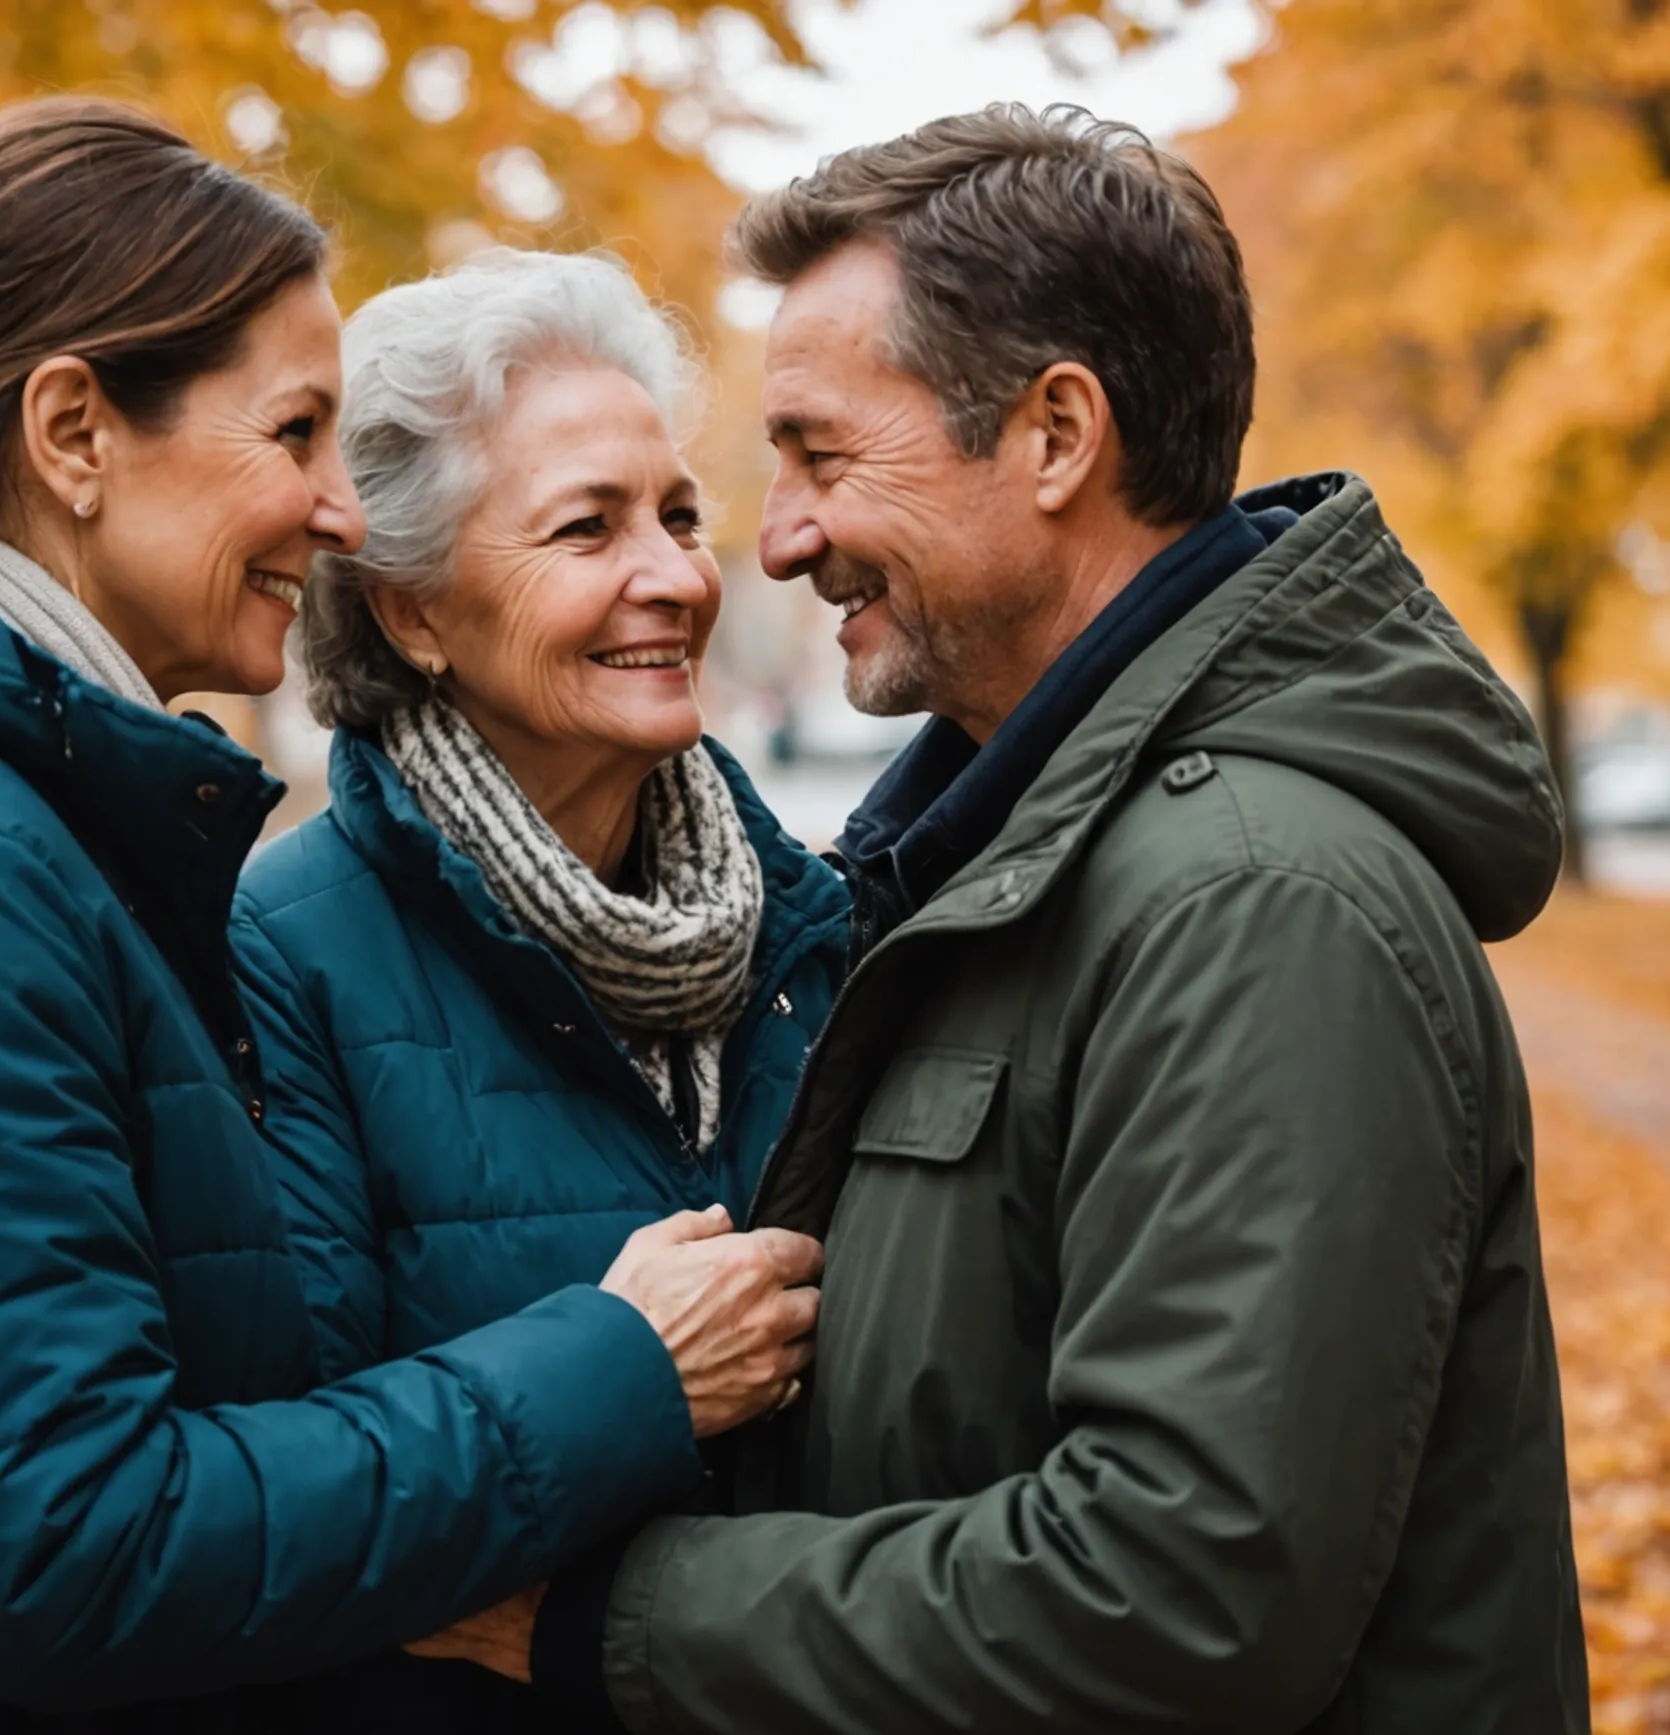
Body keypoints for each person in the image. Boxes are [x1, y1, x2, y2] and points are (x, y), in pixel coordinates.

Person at [0, 98, 820, 1734]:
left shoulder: (8, 834)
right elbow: (77, 1550)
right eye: (292, 437)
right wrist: (619, 1370)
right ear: (74, 435)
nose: (338, 512)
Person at [422, 104, 1592, 1732]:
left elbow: (1178, 1594)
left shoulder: (1254, 902)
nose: (775, 539)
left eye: (824, 454)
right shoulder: (1010, 868)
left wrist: (612, 1619)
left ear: (1054, 436)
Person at [233, 249, 851, 1731]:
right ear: (411, 614)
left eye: (680, 513)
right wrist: (624, 1368)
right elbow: (275, 1481)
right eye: (589, 527)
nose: (678, 574)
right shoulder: (278, 952)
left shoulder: (819, 926)